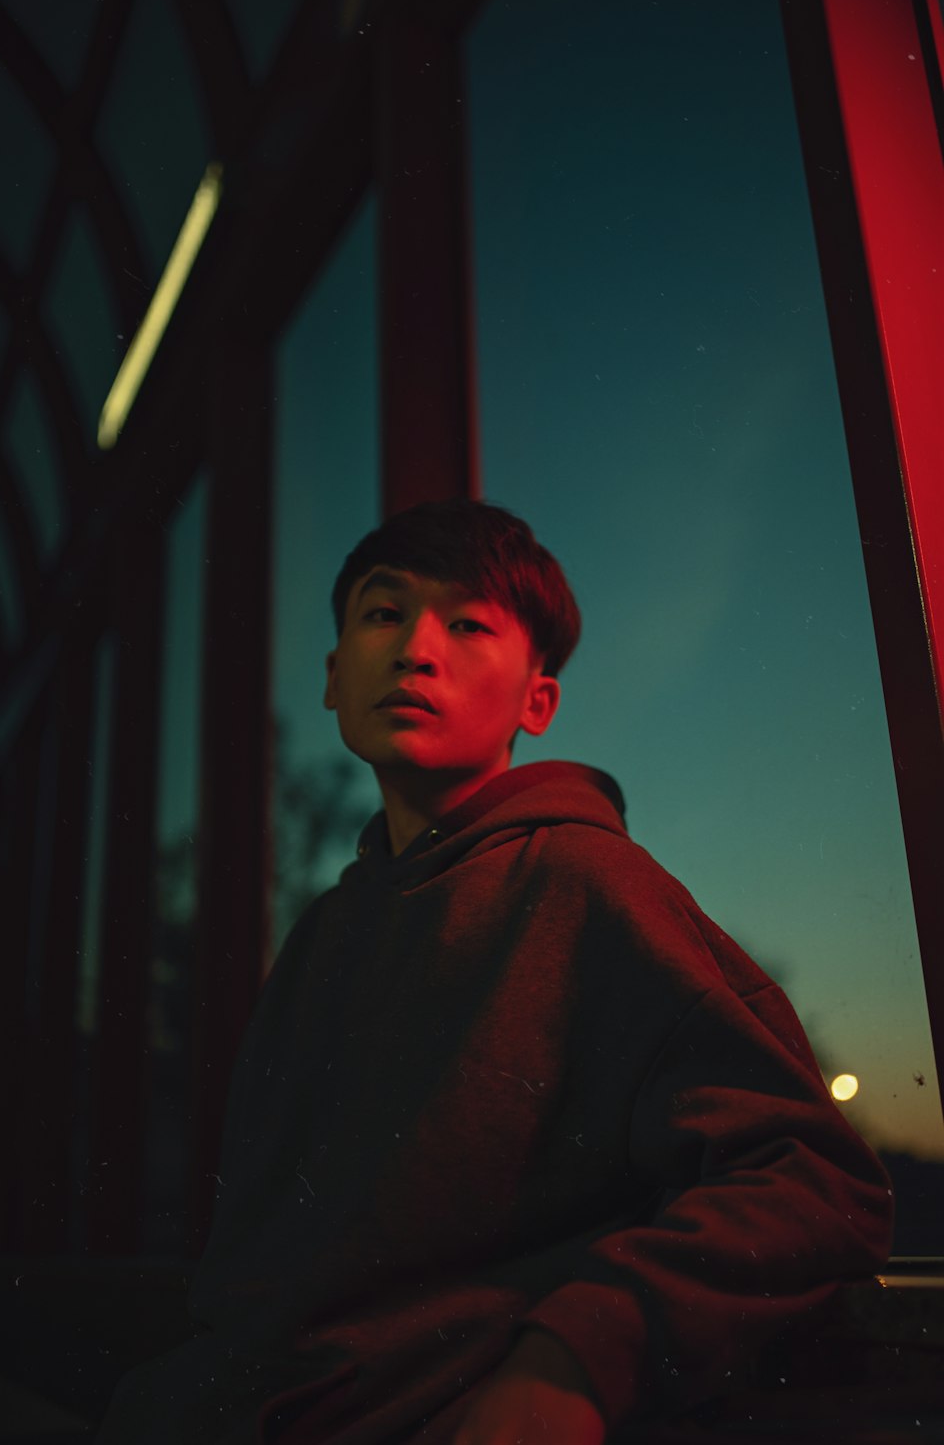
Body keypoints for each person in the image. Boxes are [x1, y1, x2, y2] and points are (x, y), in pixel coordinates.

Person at [97, 498, 892, 1445]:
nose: (415, 649)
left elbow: (815, 1180)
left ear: (537, 702)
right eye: (382, 614)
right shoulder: (323, 935)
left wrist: (575, 1358)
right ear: (331, 677)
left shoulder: (584, 882)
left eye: (469, 623)